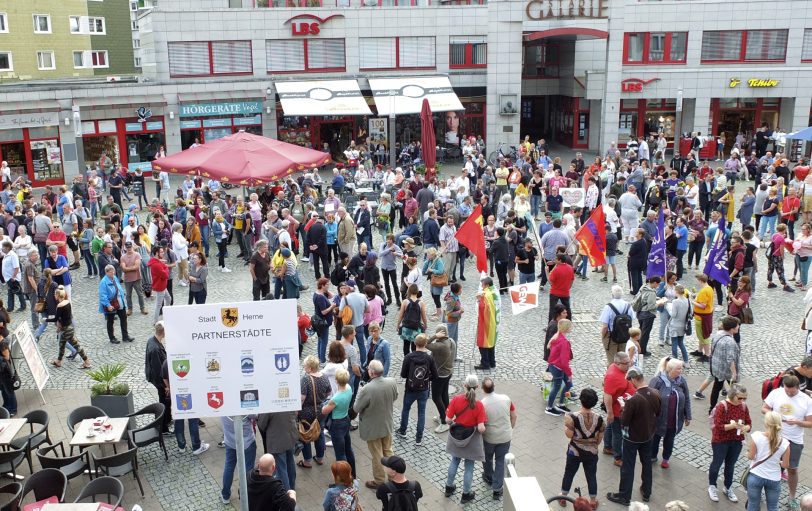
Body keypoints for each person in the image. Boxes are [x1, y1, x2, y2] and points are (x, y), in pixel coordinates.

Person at [606, 367, 661, 506]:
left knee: (628, 467)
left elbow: (624, 421)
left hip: (632, 438)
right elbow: (658, 413)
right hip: (648, 436)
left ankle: (624, 496)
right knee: (646, 463)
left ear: (634, 380)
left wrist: (624, 407)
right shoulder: (656, 393)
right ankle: (646, 491)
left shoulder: (634, 400)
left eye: (629, 381)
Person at [762, 374, 812, 508]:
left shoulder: (806, 400)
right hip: (774, 435)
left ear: (798, 388)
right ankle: (762, 490)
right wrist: (775, 416)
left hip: (794, 440)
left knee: (792, 469)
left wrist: (798, 422)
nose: (789, 393)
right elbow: (764, 408)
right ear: (783, 386)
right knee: (768, 464)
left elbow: (810, 423)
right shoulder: (776, 393)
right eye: (787, 390)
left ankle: (792, 496)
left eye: (792, 391)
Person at [353, 359, 397, 490]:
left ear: (372, 373)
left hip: (372, 428)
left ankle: (379, 481)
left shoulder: (367, 389)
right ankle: (393, 477)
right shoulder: (392, 382)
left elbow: (356, 408)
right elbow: (395, 396)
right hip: (387, 423)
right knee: (388, 450)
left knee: (377, 455)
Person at [559, 388, 604, 510]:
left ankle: (563, 497)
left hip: (574, 451)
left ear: (581, 400)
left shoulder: (572, 417)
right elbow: (599, 440)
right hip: (592, 453)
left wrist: (566, 427)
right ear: (594, 402)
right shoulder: (599, 419)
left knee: (569, 473)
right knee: (591, 476)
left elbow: (569, 435)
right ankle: (593, 501)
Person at [445, 374, 487, 504]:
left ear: (465, 385)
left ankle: (448, 487)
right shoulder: (479, 405)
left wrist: (455, 424)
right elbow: (481, 428)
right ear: (478, 387)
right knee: (469, 466)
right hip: (471, 440)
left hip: (457, 436)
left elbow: (447, 420)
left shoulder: (456, 399)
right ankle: (466, 494)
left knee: (454, 461)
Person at [708, 383, 751, 503]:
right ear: (732, 395)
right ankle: (712, 486)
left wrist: (746, 428)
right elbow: (718, 426)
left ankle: (728, 487)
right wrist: (732, 426)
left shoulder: (743, 406)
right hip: (720, 440)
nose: (742, 400)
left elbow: (749, 422)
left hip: (736, 441)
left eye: (744, 398)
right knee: (717, 464)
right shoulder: (722, 406)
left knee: (730, 465)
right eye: (740, 398)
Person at [649, 358, 691, 469]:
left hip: (674, 418)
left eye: (681, 368)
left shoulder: (682, 381)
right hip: (659, 419)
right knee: (655, 438)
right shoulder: (657, 381)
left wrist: (688, 416)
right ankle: (652, 456)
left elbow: (686, 398)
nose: (681, 370)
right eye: (678, 368)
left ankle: (666, 459)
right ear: (670, 369)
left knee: (669, 440)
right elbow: (648, 398)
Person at [397, 334, 438, 446]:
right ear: (425, 344)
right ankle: (418, 439)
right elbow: (435, 376)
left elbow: (403, 375)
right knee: (421, 413)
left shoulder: (409, 357)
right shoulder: (429, 358)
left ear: (414, 343)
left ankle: (403, 431)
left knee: (406, 409)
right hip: (423, 389)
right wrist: (425, 378)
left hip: (410, 389)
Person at [480, 377, 517, 500]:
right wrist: (510, 429)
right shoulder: (506, 399)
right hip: (505, 437)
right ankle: (497, 489)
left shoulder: (482, 404)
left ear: (482, 389)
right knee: (501, 461)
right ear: (494, 386)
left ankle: (488, 477)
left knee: (487, 458)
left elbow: (481, 423)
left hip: (489, 438)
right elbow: (514, 416)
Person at [746, 411, 791, 511]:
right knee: (773, 507)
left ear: (766, 423)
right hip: (773, 479)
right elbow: (785, 465)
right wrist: (778, 462)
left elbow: (751, 457)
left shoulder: (756, 436)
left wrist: (749, 453)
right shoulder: (785, 443)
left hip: (755, 476)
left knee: (753, 504)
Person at [321, 368, 356, 479]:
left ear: (336, 380)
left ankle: (344, 481)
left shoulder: (336, 398)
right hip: (346, 420)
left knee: (340, 455)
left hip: (337, 425)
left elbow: (324, 411)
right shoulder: (349, 388)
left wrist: (325, 403)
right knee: (348, 449)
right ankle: (353, 475)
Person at [256, 411, 299, 492]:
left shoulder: (270, 403)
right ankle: (292, 488)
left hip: (277, 440)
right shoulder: (290, 399)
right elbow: (295, 414)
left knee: (281, 468)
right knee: (290, 463)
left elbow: (262, 423)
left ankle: (286, 494)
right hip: (290, 436)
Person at [220, 415, 258, 504]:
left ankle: (225, 495)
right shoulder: (241, 402)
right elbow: (255, 415)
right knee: (248, 470)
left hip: (230, 441)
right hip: (247, 442)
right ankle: (244, 495)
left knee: (229, 467)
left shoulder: (223, 404)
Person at [707, 316, 741, 413]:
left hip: (717, 367)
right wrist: (734, 374)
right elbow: (730, 359)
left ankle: (711, 409)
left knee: (716, 388)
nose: (738, 327)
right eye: (737, 326)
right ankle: (733, 408)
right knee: (735, 390)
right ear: (731, 329)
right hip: (726, 370)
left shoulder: (718, 334)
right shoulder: (730, 341)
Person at [427, 324, 456, 434]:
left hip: (440, 374)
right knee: (444, 395)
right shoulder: (451, 341)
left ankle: (444, 422)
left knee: (436, 397)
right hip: (448, 372)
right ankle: (447, 417)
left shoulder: (440, 346)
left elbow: (424, 344)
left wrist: (435, 336)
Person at [599, 285, 637, 365]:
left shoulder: (608, 307)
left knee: (612, 360)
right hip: (624, 335)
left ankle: (611, 376)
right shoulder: (628, 305)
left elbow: (605, 326)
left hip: (611, 336)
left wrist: (603, 336)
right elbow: (632, 318)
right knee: (622, 359)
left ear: (612, 294)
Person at [145, 322, 171, 435]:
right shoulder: (155, 349)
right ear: (163, 332)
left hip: (156, 378)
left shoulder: (152, 340)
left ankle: (167, 420)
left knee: (165, 402)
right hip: (160, 382)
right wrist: (166, 387)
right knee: (164, 402)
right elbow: (158, 371)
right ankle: (163, 427)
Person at [98, 264, 134, 344]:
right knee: (110, 321)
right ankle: (112, 338)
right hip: (111, 304)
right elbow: (103, 296)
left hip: (119, 302)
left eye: (113, 271)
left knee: (123, 319)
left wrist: (122, 293)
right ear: (106, 273)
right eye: (111, 272)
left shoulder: (114, 278)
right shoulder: (103, 282)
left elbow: (118, 287)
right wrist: (108, 305)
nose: (113, 273)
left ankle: (125, 336)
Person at [546, 319, 574, 416]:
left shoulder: (557, 336)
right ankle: (549, 407)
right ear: (566, 328)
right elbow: (564, 361)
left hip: (554, 365)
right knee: (557, 386)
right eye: (570, 326)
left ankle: (560, 404)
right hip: (558, 367)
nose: (572, 328)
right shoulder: (564, 342)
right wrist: (569, 373)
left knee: (568, 384)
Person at [475, 277, 501, 370]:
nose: (481, 287)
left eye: (482, 285)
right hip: (494, 322)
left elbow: (483, 308)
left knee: (484, 344)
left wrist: (479, 299)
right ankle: (492, 362)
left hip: (486, 323)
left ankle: (485, 364)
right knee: (491, 343)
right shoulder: (494, 291)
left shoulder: (486, 295)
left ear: (487, 285)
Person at [396, 283, 427, 357]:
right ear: (417, 292)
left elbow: (400, 315)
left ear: (409, 291)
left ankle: (406, 359)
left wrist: (398, 325)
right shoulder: (421, 303)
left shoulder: (405, 302)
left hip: (406, 327)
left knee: (406, 345)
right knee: (415, 346)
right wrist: (425, 325)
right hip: (416, 328)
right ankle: (414, 360)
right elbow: (424, 317)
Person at [120, 241, 148, 316]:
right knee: (128, 295)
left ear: (132, 247)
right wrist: (132, 267)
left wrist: (127, 268)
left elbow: (136, 267)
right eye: (127, 247)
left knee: (140, 294)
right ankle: (129, 309)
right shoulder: (123, 257)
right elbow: (124, 268)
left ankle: (142, 308)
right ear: (126, 248)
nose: (129, 248)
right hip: (127, 279)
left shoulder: (137, 254)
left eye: (130, 247)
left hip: (137, 278)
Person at [0, 340, 16, 416]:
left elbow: (6, 357)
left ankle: (13, 409)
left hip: (5, 371)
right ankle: (6, 405)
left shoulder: (2, 342)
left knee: (9, 390)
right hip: (1, 372)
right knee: (3, 389)